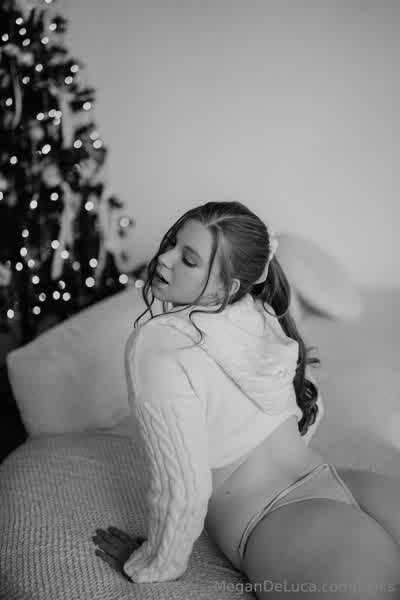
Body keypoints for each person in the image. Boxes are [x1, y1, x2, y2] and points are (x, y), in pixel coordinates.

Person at [93, 201, 400, 598]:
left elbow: (183, 486)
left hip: (280, 520)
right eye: (171, 244)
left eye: (188, 259)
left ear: (228, 287)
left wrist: (155, 563)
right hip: (347, 483)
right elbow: (309, 405)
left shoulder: (157, 343)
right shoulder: (261, 311)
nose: (164, 259)